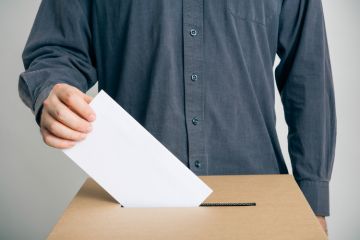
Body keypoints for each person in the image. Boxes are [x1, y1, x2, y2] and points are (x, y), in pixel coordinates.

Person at [19, 0, 336, 234]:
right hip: (131, 207)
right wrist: (51, 90)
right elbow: (56, 52)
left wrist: (313, 202)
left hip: (260, 205)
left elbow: (309, 75)